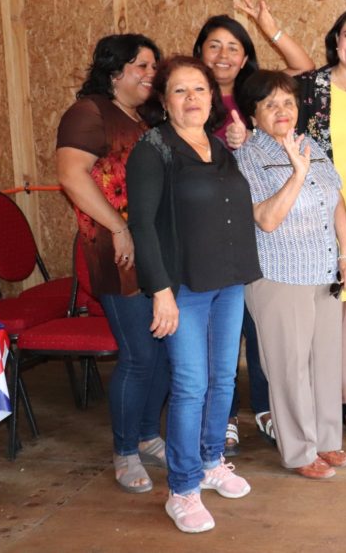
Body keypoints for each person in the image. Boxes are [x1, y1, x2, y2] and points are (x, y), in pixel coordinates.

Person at [232, 5, 346, 438]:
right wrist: (271, 28)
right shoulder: (312, 87)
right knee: (305, 317)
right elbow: (275, 97)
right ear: (336, 39)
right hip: (304, 210)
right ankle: (302, 417)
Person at [127, 56, 262, 534]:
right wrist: (160, 291)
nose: (192, 99)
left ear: (212, 97)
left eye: (200, 89)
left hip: (228, 280)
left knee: (223, 379)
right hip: (182, 286)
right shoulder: (153, 149)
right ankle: (182, 489)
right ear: (164, 101)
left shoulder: (219, 146)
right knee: (190, 385)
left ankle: (210, 461)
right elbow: (142, 226)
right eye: (180, 91)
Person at [193, 0, 315, 454]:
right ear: (200, 52)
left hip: (257, 229)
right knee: (218, 327)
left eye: (234, 47)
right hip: (207, 228)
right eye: (214, 46)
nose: (223, 55)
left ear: (246, 56)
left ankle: (264, 407)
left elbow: (304, 71)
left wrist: (270, 27)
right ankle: (224, 414)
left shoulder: (254, 94)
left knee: (257, 324)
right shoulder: (189, 93)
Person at [56, 34, 169, 493]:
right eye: (142, 65)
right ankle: (125, 450)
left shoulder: (141, 119)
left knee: (161, 353)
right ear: (115, 71)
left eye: (154, 66)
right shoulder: (90, 112)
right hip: (116, 253)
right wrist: (119, 228)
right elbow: (71, 175)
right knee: (139, 355)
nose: (151, 74)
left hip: (152, 250)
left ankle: (147, 435)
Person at [234, 70, 346, 481]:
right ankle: (299, 450)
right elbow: (266, 219)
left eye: (287, 102)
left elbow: (336, 202)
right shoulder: (247, 156)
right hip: (279, 276)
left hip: (324, 272)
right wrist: (296, 173)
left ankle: (327, 439)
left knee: (325, 361)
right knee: (289, 368)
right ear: (253, 115)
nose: (282, 111)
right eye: (270, 104)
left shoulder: (311, 145)